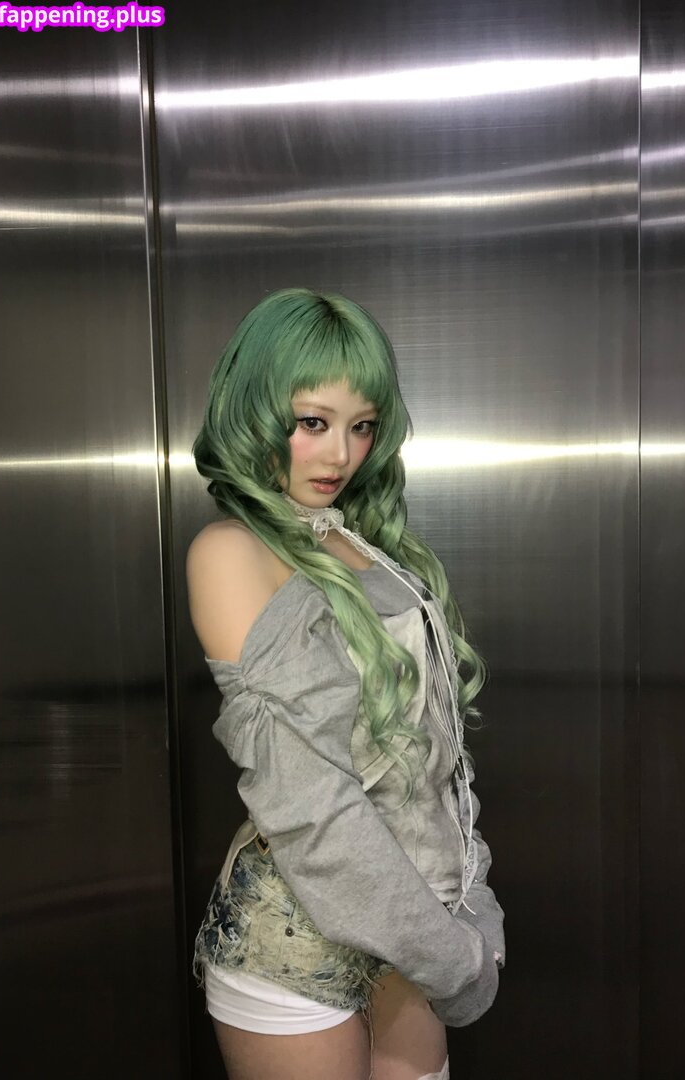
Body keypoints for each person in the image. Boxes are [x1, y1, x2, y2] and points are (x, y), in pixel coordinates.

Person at [186, 287, 505, 1080]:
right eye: (312, 422)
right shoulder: (230, 553)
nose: (339, 455)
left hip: (411, 934)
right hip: (296, 946)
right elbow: (312, 807)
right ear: (255, 412)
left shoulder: (363, 545)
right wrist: (453, 958)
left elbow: (432, 761)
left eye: (361, 426)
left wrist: (472, 898)